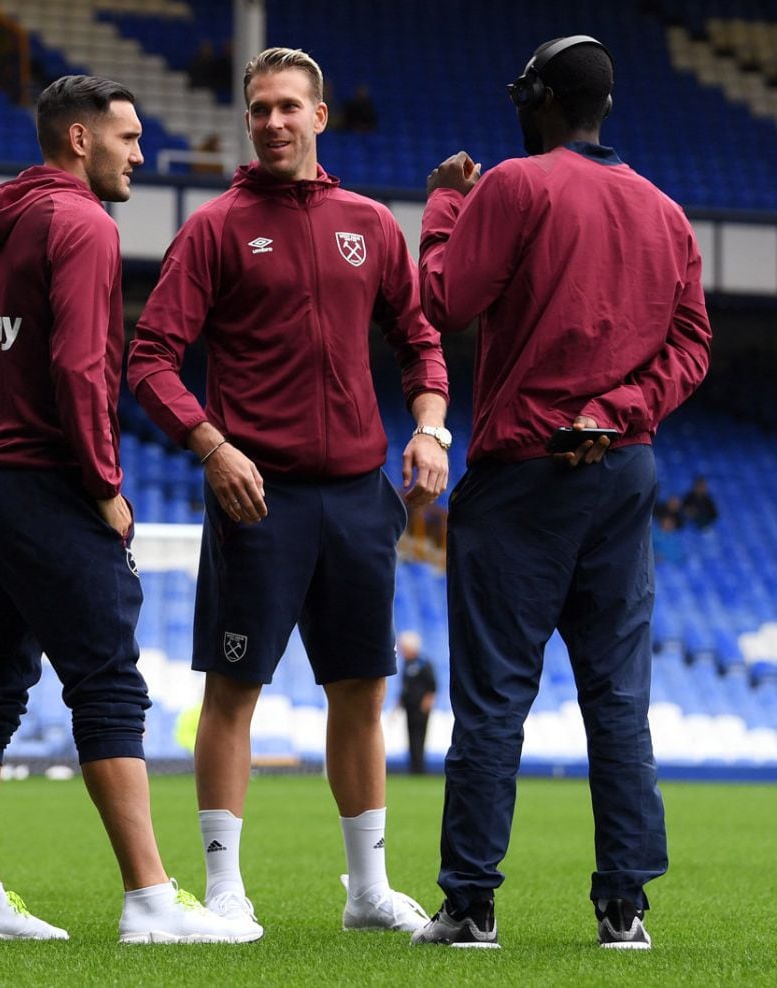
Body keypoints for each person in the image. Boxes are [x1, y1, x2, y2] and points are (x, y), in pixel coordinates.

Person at [128, 47, 451, 937]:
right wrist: (212, 446)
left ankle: (367, 893)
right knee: (234, 691)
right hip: (254, 496)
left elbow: (420, 339)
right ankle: (227, 889)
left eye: (287, 107)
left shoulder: (371, 224)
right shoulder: (217, 227)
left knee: (362, 690)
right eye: (258, 109)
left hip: (358, 496)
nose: (271, 122)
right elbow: (148, 359)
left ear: (319, 117)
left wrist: (428, 427)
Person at [411, 36, 711, 950]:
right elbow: (693, 349)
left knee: (496, 696)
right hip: (622, 471)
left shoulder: (512, 183)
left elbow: (443, 298)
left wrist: (442, 204)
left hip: (524, 472)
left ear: (537, 98)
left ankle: (470, 906)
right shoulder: (668, 213)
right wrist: (616, 411)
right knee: (618, 698)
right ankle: (625, 910)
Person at [0, 75, 256, 944]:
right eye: (128, 137)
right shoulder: (81, 224)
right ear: (80, 140)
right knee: (109, 683)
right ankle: (152, 900)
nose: (140, 153)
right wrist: (103, 485)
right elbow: (84, 370)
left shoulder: (1, 235)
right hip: (48, 484)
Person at [398, 632, 437, 774]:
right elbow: (405, 687)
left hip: (421, 707)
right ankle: (413, 768)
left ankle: (420, 768)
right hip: (409, 707)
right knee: (410, 736)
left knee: (419, 736)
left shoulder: (424, 663)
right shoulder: (406, 664)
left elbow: (432, 686)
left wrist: (427, 702)